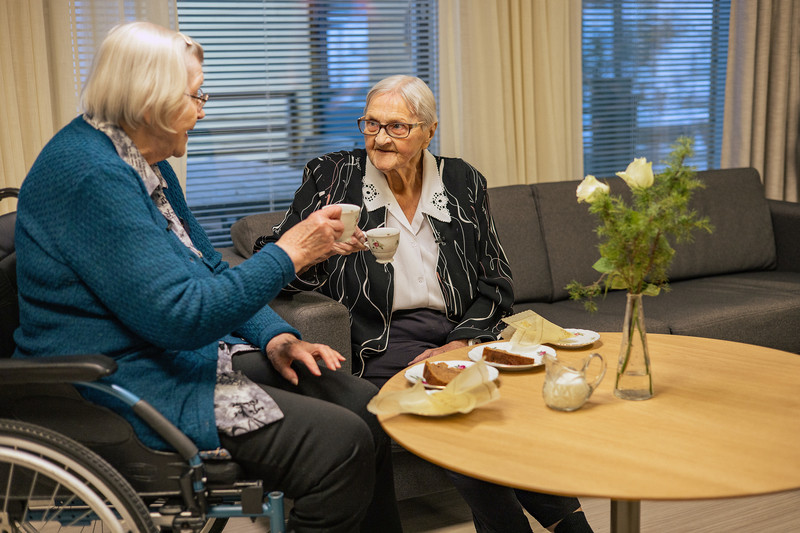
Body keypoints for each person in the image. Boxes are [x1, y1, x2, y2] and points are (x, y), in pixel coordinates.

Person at [13, 21, 402, 533]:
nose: (203, 108)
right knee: (338, 445)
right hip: (120, 378)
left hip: (171, 353)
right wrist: (290, 253)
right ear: (151, 102)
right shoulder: (92, 176)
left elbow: (209, 266)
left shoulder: (143, 162)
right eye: (196, 95)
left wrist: (276, 336)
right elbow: (186, 317)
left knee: (365, 408)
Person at [254, 75, 593, 533]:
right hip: (383, 336)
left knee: (493, 411)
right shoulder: (332, 175)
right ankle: (554, 526)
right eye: (371, 124)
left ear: (429, 131)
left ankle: (561, 524)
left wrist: (464, 339)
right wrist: (321, 249)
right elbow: (274, 263)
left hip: (465, 327)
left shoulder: (462, 180)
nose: (379, 138)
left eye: (397, 127)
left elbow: (496, 277)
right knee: (456, 411)